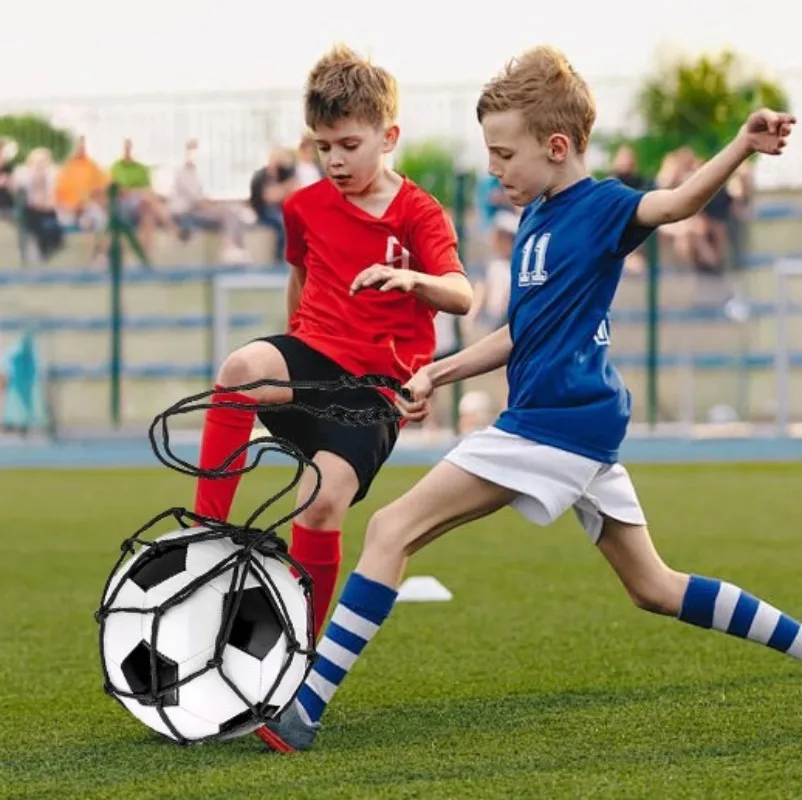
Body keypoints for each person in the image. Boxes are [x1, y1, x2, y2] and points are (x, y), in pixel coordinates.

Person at [257, 45, 797, 753]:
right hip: (574, 431)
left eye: (503, 154)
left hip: (552, 429)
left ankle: (304, 709)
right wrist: (438, 374)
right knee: (655, 588)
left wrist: (742, 146)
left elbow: (679, 201)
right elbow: (520, 334)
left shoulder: (603, 207)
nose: (493, 169)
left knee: (391, 529)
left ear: (557, 145)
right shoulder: (537, 219)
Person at [193, 44, 473, 647]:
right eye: (324, 146)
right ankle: (205, 535)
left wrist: (413, 279)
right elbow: (301, 275)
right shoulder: (303, 207)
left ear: (387, 136)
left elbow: (461, 294)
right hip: (312, 358)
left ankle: (299, 655)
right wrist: (290, 346)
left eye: (349, 145)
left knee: (318, 507)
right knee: (242, 365)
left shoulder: (420, 214)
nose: (336, 160)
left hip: (373, 392)